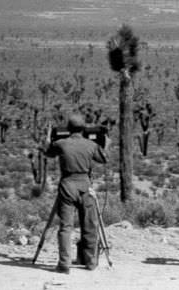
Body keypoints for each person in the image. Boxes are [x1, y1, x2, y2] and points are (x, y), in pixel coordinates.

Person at [43, 114, 108, 274]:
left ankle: (64, 264)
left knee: (66, 226)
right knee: (90, 225)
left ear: (68, 128)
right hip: (85, 185)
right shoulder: (90, 145)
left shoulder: (61, 143)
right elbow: (104, 159)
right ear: (84, 128)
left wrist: (47, 135)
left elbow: (47, 151)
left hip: (67, 185)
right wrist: (106, 143)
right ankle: (91, 262)